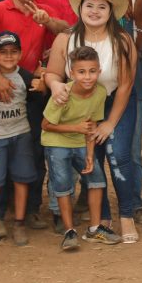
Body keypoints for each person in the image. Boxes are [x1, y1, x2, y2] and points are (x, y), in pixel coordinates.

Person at [0, 0, 69, 228]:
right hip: (0, 90)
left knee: (32, 151)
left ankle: (29, 209)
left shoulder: (42, 9)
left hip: (31, 90)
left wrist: (47, 20)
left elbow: (66, 29)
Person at [44, 0, 138, 243]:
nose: (94, 11)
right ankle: (103, 217)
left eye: (101, 7)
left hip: (114, 101)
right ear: (80, 8)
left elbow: (126, 83)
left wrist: (110, 122)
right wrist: (55, 85)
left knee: (119, 155)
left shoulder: (122, 40)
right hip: (80, 106)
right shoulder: (66, 38)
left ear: (111, 11)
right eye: (89, 5)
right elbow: (52, 73)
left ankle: (127, 215)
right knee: (91, 159)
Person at [97, 0, 142, 225]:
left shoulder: (136, 8)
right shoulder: (93, 9)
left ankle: (135, 204)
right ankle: (97, 206)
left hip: (132, 89)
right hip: (96, 92)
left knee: (131, 151)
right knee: (96, 151)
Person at [0, 31, 41, 248]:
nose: (9, 56)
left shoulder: (25, 76)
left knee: (22, 180)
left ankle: (19, 223)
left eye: (13, 52)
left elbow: (37, 96)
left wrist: (42, 84)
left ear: (20, 54)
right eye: (3, 52)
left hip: (21, 135)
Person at [41, 45, 108, 251]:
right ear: (71, 73)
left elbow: (92, 124)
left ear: (99, 71)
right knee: (63, 185)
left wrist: (90, 154)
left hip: (81, 141)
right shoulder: (63, 93)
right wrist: (75, 128)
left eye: (92, 71)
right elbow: (45, 125)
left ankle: (95, 228)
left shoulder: (100, 92)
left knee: (97, 179)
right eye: (81, 72)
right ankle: (69, 231)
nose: (87, 77)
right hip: (56, 142)